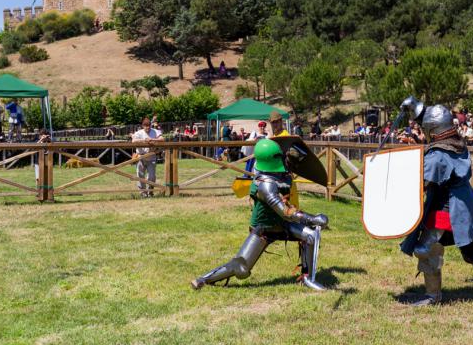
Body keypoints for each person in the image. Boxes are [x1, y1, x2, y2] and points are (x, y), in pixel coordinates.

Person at [399, 97, 473, 305]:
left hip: (447, 209)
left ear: (432, 131)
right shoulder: (458, 144)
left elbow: (423, 182)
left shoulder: (437, 154)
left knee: (424, 249)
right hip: (466, 205)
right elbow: (430, 119)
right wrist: (413, 105)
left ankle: (433, 296)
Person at [191, 139, 329, 291]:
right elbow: (286, 212)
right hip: (264, 229)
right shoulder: (265, 185)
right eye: (279, 156)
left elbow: (296, 161)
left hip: (282, 225)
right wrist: (312, 219)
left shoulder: (282, 175)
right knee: (241, 269)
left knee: (310, 236)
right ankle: (204, 279)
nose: (284, 158)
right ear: (271, 160)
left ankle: (307, 278)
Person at [131, 117, 164, 197]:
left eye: (149, 125)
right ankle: (143, 193)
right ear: (143, 126)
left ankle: (150, 192)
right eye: (146, 125)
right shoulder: (139, 133)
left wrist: (152, 139)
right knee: (140, 175)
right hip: (140, 156)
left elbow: (162, 139)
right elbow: (133, 141)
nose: (147, 127)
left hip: (151, 156)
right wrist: (144, 140)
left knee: (152, 176)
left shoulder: (155, 131)